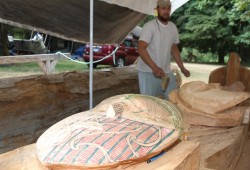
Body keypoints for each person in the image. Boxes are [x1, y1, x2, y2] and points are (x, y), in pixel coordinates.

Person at [137, 0, 190, 100]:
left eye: (168, 8)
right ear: (157, 10)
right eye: (163, 8)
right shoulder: (149, 26)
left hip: (166, 72)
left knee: (173, 100)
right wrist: (154, 67)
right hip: (147, 72)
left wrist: (182, 68)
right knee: (150, 103)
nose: (166, 11)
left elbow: (174, 49)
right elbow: (140, 48)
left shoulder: (173, 27)